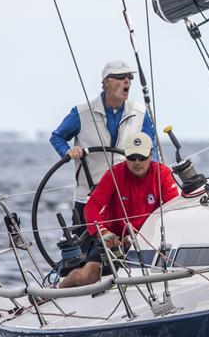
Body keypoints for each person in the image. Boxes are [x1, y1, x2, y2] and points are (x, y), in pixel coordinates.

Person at [59, 132, 178, 288]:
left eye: (141, 157)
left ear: (151, 155)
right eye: (132, 157)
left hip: (149, 237)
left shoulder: (162, 173)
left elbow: (172, 210)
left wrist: (140, 235)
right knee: (87, 276)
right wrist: (104, 233)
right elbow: (92, 207)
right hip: (112, 238)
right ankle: (55, 292)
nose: (137, 162)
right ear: (126, 156)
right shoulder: (114, 174)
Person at [50, 60, 157, 228]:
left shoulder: (140, 113)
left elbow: (151, 149)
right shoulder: (81, 112)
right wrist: (68, 151)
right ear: (106, 82)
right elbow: (57, 137)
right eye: (121, 77)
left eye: (129, 77)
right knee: (84, 251)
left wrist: (153, 178)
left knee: (128, 248)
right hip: (87, 197)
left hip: (125, 198)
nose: (127, 81)